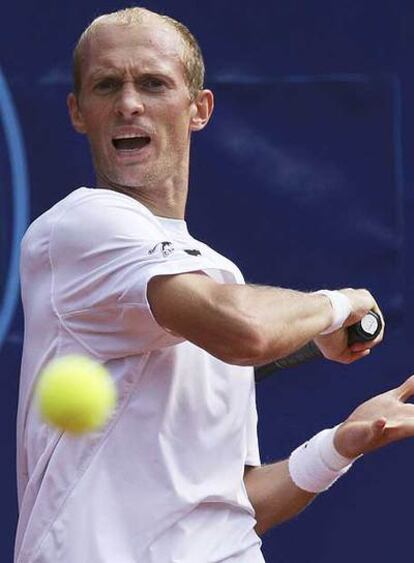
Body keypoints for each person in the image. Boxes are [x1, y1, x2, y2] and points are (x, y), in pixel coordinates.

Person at [14, 7, 414, 563]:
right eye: (107, 86)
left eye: (153, 83)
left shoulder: (217, 275)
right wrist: (338, 305)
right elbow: (244, 330)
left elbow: (233, 507)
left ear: (198, 108)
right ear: (79, 113)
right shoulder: (81, 225)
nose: (129, 103)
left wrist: (343, 443)